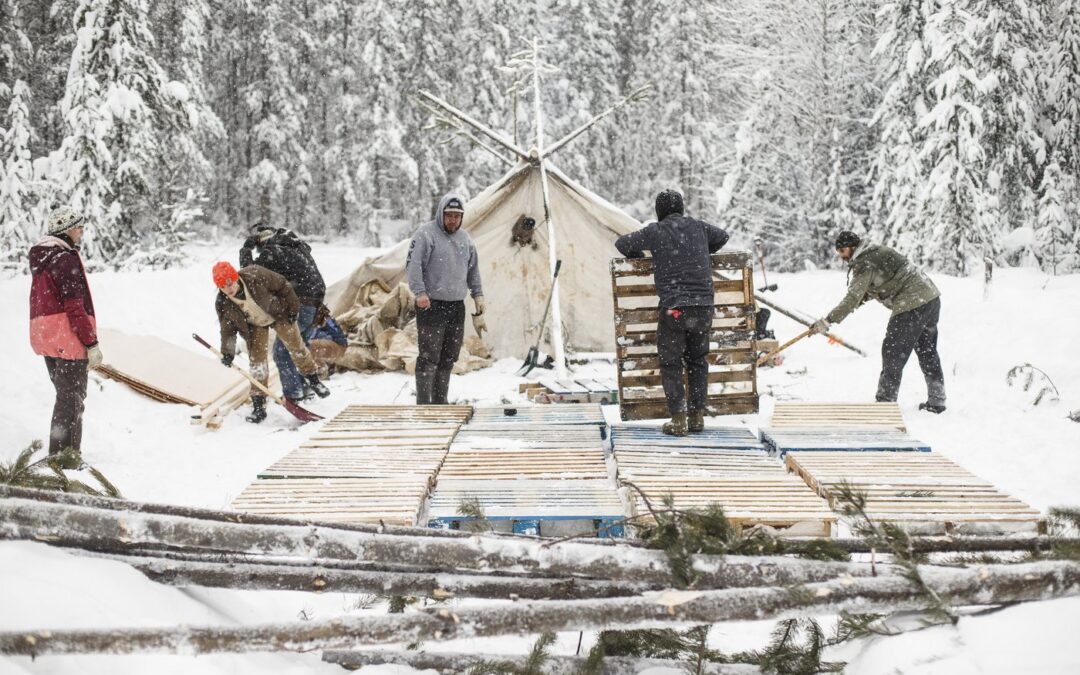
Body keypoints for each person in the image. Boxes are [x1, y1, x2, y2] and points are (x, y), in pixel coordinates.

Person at [615, 189, 730, 436]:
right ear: (682, 208)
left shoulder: (655, 231)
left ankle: (679, 420)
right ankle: (697, 417)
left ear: (659, 211)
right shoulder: (698, 227)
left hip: (675, 309)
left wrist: (642, 254)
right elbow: (723, 237)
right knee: (698, 361)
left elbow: (622, 244)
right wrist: (699, 252)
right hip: (703, 307)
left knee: (671, 362)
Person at [811, 231, 945, 413]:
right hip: (930, 298)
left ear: (852, 247)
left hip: (912, 302)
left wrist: (827, 321)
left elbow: (853, 298)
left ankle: (885, 403)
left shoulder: (864, 262)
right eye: (838, 252)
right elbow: (864, 294)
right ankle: (937, 400)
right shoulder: (872, 254)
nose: (841, 256)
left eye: (842, 251)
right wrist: (847, 308)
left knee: (893, 351)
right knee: (926, 350)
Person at [29, 206, 103, 465]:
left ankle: (62, 454)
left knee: (65, 397)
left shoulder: (43, 257)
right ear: (68, 230)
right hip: (66, 337)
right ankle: (63, 457)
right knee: (71, 400)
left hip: (45, 335)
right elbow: (74, 305)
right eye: (79, 226)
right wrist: (91, 342)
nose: (81, 231)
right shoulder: (64, 258)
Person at [212, 261, 330, 423]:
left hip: (278, 312)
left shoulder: (255, 275)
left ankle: (313, 379)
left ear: (236, 278)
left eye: (230, 284)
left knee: (296, 347)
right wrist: (227, 352)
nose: (229, 289)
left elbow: (283, 285)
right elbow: (227, 330)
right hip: (254, 325)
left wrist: (293, 308)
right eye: (223, 287)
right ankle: (259, 405)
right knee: (257, 364)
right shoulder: (223, 302)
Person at [405, 193, 484, 404]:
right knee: (429, 356)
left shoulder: (465, 239)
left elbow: (473, 270)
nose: (453, 220)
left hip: (456, 305)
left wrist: (478, 294)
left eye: (457, 216)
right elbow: (414, 266)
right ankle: (424, 403)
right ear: (441, 214)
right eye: (449, 215)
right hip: (431, 304)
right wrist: (420, 293)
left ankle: (440, 401)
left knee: (449, 356)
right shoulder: (425, 234)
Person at [240, 223, 327, 402]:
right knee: (298, 347)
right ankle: (305, 389)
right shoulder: (298, 247)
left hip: (300, 305)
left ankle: (293, 396)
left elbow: (248, 274)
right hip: (316, 305)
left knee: (282, 351)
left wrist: (246, 249)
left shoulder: (272, 252)